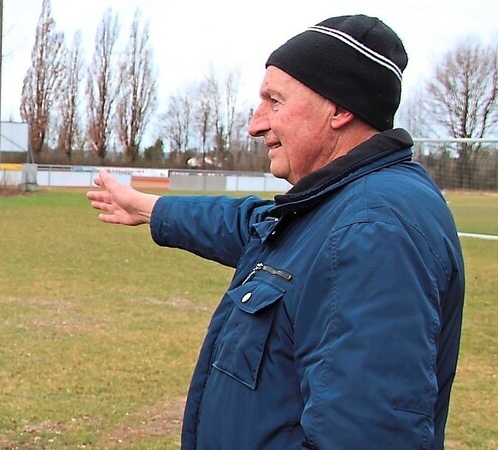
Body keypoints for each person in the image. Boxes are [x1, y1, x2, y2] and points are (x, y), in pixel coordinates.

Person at [87, 14, 465, 450]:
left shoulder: (371, 229)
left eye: (274, 101)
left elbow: (367, 433)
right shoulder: (335, 207)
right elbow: (252, 227)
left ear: (340, 109)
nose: (255, 123)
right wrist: (152, 209)